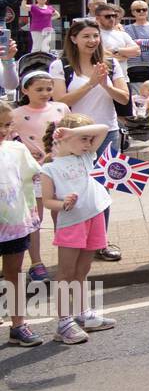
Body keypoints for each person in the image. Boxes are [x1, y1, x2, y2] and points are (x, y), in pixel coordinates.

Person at [49, 18, 129, 262]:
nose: (92, 41)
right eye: (86, 36)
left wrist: (105, 85)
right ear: (74, 38)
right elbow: (61, 99)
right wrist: (91, 83)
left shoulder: (111, 63)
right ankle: (72, 241)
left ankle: (99, 243)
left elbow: (124, 98)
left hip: (107, 133)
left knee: (101, 189)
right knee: (72, 189)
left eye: (95, 36)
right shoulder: (60, 65)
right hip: (73, 135)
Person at [39, 113, 115, 342]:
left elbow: (103, 129)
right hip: (72, 223)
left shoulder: (86, 156)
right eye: (84, 139)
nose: (89, 143)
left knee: (82, 271)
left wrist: (77, 133)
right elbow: (47, 200)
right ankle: (63, 323)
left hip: (94, 217)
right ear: (62, 138)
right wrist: (62, 204)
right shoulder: (49, 169)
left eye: (89, 139)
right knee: (66, 272)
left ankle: (83, 315)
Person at [11, 70, 65, 282]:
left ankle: (65, 256)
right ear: (25, 90)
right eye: (39, 89)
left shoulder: (61, 108)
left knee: (61, 214)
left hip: (59, 168)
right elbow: (9, 138)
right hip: (33, 172)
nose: (45, 93)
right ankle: (36, 261)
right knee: (35, 218)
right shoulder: (16, 114)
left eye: (49, 89)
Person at [0, 100, 43, 345]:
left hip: (15, 224)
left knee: (14, 273)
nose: (3, 131)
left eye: (7, 125)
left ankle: (18, 325)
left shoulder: (16, 149)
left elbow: (31, 178)